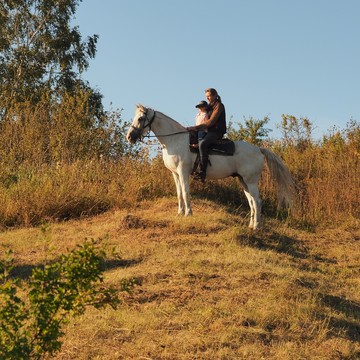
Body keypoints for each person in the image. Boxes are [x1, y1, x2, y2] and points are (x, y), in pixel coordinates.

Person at [187, 88, 226, 182]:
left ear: (215, 95)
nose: (208, 98)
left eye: (209, 96)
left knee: (203, 143)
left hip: (216, 131)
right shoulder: (209, 106)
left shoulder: (219, 106)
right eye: (207, 96)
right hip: (207, 130)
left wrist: (196, 127)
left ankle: (202, 172)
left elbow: (211, 122)